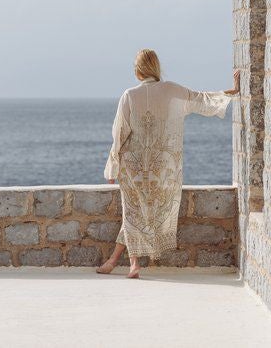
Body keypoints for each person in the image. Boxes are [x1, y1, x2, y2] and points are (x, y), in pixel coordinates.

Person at [97, 49, 240, 278]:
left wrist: (112, 166)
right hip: (161, 167)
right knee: (138, 214)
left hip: (133, 165)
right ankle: (116, 262)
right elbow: (200, 100)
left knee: (133, 212)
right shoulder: (171, 90)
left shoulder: (129, 95)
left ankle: (129, 264)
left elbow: (119, 133)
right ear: (156, 67)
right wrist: (231, 91)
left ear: (138, 70)